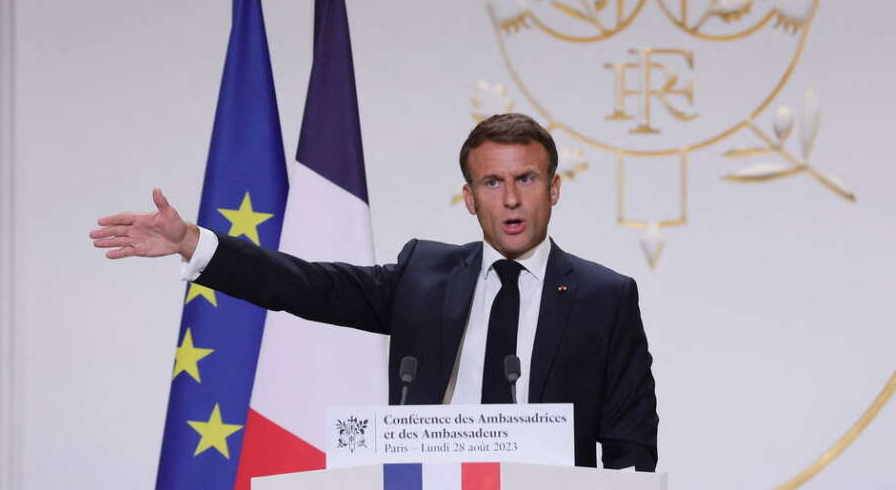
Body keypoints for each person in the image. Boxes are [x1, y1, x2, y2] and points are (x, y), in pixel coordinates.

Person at [90, 113, 658, 470]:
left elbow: (631, 440)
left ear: (553, 189)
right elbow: (309, 286)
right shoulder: (424, 275)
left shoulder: (604, 297)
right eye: (492, 182)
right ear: (469, 198)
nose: (510, 199)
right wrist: (194, 243)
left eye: (525, 179)